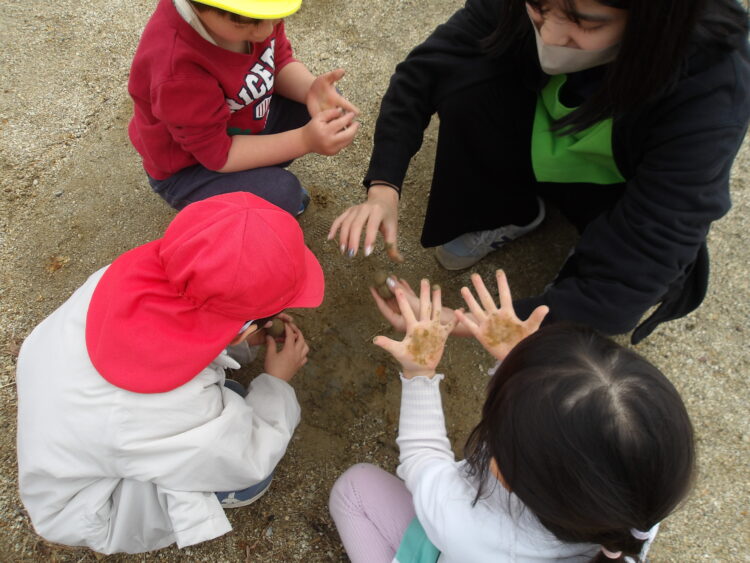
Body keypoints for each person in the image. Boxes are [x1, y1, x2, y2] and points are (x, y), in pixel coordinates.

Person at [328, 0, 750, 343]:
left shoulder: (712, 85)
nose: (550, 35)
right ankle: (512, 210)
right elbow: (425, 71)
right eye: (539, 7)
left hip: (614, 185)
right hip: (538, 138)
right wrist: (383, 186)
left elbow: (634, 274)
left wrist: (465, 323)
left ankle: (590, 247)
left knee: (609, 278)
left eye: (585, 22)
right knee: (468, 80)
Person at [16, 192, 324, 554]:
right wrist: (276, 383)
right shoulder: (174, 410)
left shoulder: (120, 275)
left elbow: (179, 321)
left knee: (227, 403)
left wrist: (234, 335)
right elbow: (247, 459)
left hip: (68, 432)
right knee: (247, 480)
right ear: (245, 329)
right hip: (85, 504)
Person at [329, 271, 696, 562]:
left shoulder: (469, 529)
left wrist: (419, 372)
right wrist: (519, 357)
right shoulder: (635, 502)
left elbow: (423, 460)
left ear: (504, 472)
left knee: (353, 489)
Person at [128, 0, 360, 214]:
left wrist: (310, 89)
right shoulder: (177, 70)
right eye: (245, 22)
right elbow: (218, 154)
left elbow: (277, 61)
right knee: (283, 194)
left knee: (320, 106)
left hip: (238, 123)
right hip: (191, 168)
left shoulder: (256, 11)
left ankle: (256, 176)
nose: (266, 31)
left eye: (274, 16)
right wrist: (305, 140)